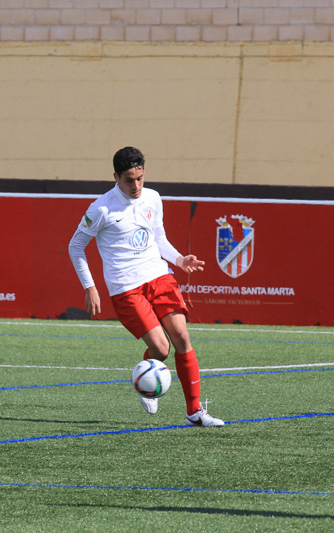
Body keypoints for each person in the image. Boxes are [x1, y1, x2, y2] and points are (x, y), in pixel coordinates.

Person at [68, 146, 223, 427]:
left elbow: (158, 237)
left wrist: (179, 259)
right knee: (161, 349)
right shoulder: (101, 209)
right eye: (129, 180)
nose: (136, 186)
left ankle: (194, 412)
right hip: (126, 286)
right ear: (116, 177)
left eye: (140, 178)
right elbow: (75, 246)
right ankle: (146, 379)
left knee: (182, 337)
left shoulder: (153, 197)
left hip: (159, 276)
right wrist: (90, 287)